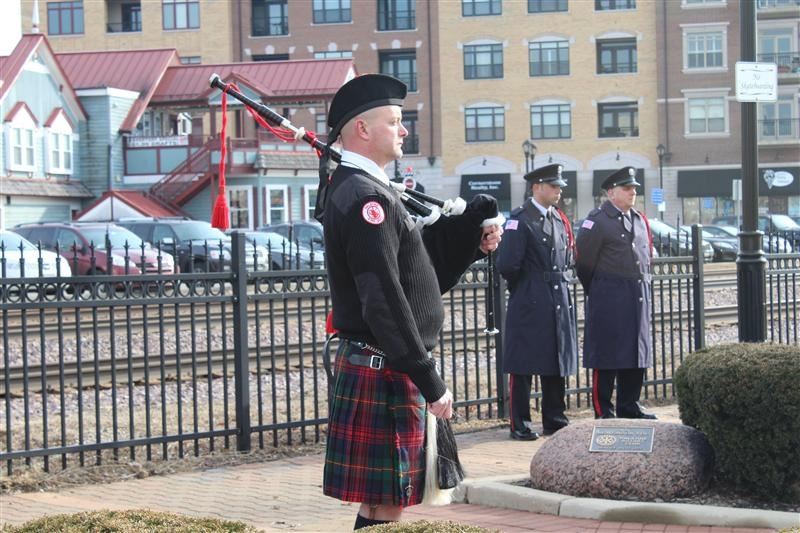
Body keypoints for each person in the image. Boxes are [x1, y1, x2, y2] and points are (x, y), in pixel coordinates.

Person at [318, 74, 504, 530]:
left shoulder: (371, 188)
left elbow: (416, 275)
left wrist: (467, 235)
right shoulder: (365, 199)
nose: (403, 131)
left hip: (384, 364)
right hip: (386, 366)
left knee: (381, 504)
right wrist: (428, 377)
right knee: (390, 505)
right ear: (362, 129)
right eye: (395, 121)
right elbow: (381, 294)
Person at [495, 164, 578, 440]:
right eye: (553, 186)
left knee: (555, 359)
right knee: (523, 364)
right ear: (537, 187)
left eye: (559, 187)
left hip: (555, 296)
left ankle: (554, 418)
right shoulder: (521, 219)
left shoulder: (557, 218)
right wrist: (528, 287)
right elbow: (507, 264)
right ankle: (520, 422)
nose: (559, 191)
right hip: (531, 297)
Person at [575, 166, 657, 420]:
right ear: (611, 192)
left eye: (634, 188)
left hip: (637, 298)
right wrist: (601, 290)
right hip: (609, 298)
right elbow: (583, 263)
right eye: (626, 188)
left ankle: (629, 405)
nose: (632, 192)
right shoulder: (597, 221)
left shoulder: (639, 218)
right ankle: (604, 409)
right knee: (608, 356)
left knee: (636, 353)